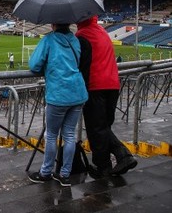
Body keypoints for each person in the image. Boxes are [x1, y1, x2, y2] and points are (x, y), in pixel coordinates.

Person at [28, 23, 88, 187]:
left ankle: (46, 172)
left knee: (52, 135)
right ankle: (64, 175)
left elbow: (34, 65)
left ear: (53, 24)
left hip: (59, 94)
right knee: (69, 135)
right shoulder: (74, 40)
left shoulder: (49, 39)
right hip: (77, 92)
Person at [76, 16, 137, 177]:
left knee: (96, 128)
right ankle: (118, 158)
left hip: (96, 86)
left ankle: (106, 165)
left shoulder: (82, 35)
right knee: (103, 127)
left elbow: (80, 63)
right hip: (112, 84)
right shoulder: (102, 31)